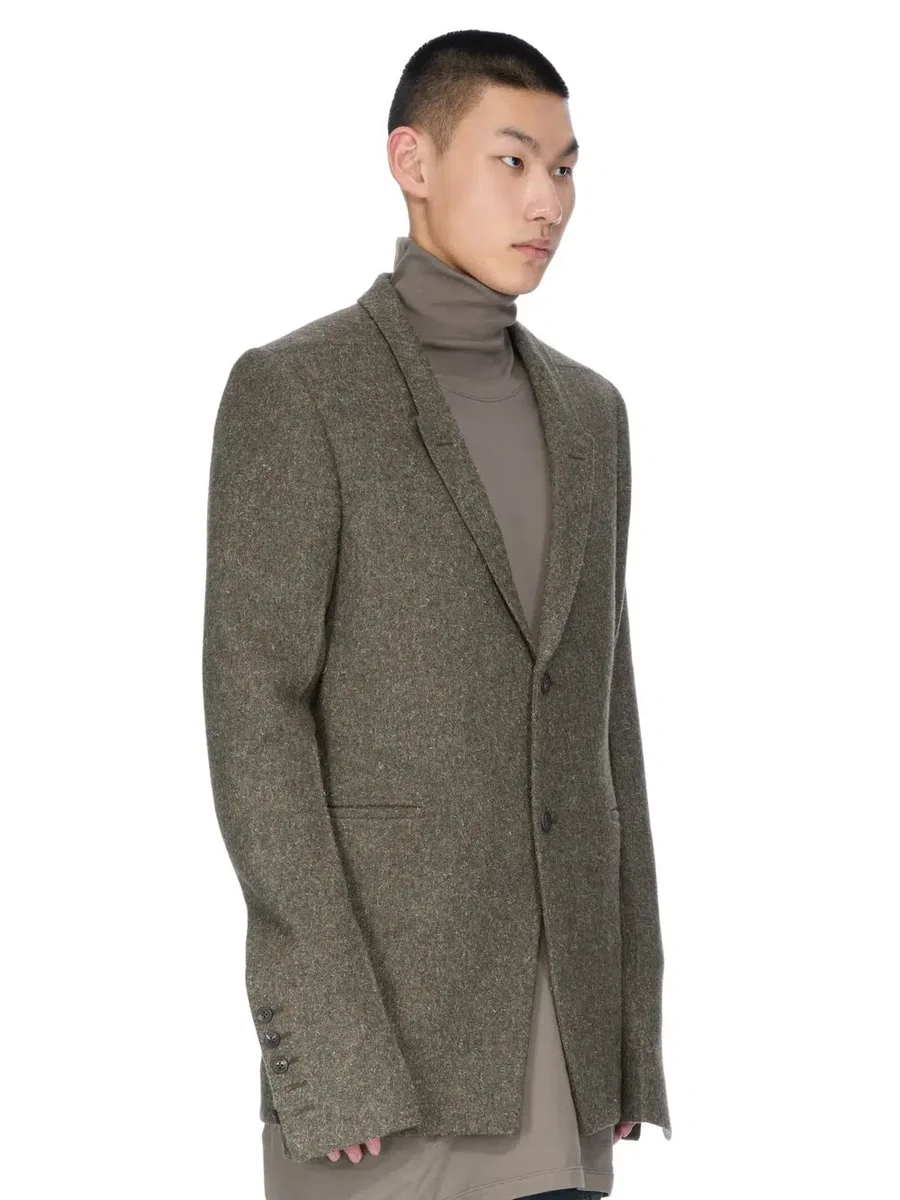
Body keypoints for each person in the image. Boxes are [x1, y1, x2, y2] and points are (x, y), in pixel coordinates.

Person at [202, 28, 671, 1200]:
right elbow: (257, 722)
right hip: (386, 1085)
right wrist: (330, 1051)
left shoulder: (592, 415)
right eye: (512, 161)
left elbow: (604, 722)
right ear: (412, 161)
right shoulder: (299, 392)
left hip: (566, 1074)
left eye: (564, 169)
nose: (547, 201)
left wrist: (628, 1035)